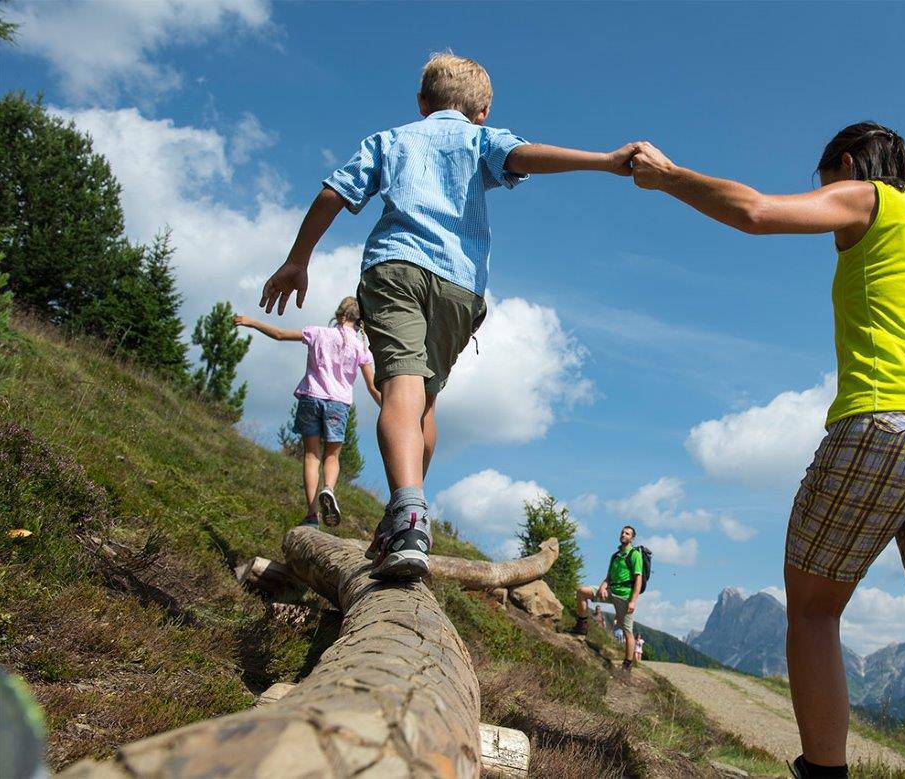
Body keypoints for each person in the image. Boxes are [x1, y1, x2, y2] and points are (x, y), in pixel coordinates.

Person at [630, 125, 905, 779]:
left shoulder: (869, 198)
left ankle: (822, 772)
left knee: (815, 608)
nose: (824, 198)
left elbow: (755, 211)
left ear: (846, 164)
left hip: (890, 421)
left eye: (824, 183)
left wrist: (668, 176)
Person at [255, 52, 637, 579]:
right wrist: (606, 160)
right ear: (481, 112)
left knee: (400, 389)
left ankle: (407, 514)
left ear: (421, 103)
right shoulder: (482, 139)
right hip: (460, 286)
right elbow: (526, 155)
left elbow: (333, 193)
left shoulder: (390, 140)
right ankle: (408, 518)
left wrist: (299, 259)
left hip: (395, 268)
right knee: (425, 402)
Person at [235, 297, 381, 527]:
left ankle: (312, 515)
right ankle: (329, 489)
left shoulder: (318, 333)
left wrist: (251, 322)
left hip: (311, 398)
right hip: (338, 404)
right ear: (359, 320)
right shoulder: (361, 347)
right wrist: (392, 411)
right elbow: (372, 387)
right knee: (332, 456)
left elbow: (280, 334)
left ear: (338, 314)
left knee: (311, 456)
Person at [572, 525, 644, 671]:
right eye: (622, 532)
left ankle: (627, 664)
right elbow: (608, 577)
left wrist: (633, 601)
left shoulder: (635, 555)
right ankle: (582, 625)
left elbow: (639, 579)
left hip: (625, 596)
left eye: (627, 533)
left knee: (627, 631)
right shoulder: (615, 556)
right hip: (610, 591)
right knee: (581, 591)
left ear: (632, 538)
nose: (623, 534)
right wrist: (603, 587)